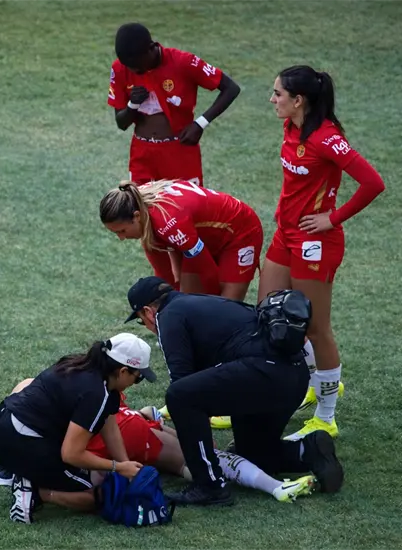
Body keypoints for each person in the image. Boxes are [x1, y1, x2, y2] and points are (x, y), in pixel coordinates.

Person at [124, 276, 344, 505]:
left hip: (263, 374)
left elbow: (182, 384)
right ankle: (308, 450)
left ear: (149, 312)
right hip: (292, 376)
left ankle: (209, 486)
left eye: (142, 321)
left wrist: (195, 442)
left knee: (179, 397)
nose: (148, 327)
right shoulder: (198, 303)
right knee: (254, 454)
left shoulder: (168, 317)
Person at [261, 66, 385, 440]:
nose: (272, 100)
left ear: (298, 100)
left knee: (314, 328)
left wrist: (332, 218)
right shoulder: (291, 127)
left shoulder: (326, 138)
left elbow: (372, 182)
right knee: (268, 314)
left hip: (316, 243)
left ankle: (326, 415)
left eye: (278, 94)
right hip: (286, 234)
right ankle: (303, 388)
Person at [0, 382, 317, 503]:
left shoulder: (50, 388)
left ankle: (274, 484)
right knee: (200, 456)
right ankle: (274, 485)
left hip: (117, 431)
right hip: (123, 432)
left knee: (191, 454)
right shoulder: (100, 393)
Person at [0, 334, 153, 523]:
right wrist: (118, 466)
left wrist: (125, 466)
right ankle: (35, 491)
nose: (135, 383)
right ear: (122, 371)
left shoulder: (80, 364)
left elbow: (110, 428)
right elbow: (71, 454)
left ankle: (14, 469)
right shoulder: (96, 393)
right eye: (138, 378)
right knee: (99, 496)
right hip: (21, 440)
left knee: (88, 471)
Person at [108, 22, 241, 186]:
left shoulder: (183, 62)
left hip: (180, 151)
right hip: (142, 155)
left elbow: (231, 88)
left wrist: (200, 124)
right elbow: (121, 123)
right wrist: (133, 104)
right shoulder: (121, 68)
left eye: (137, 66)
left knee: (187, 208)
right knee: (141, 209)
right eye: (129, 66)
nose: (134, 71)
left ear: (151, 48)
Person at [100, 179, 263, 300]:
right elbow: (164, 277)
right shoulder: (134, 201)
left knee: (226, 309)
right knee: (188, 303)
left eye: (121, 231)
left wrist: (214, 304)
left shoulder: (168, 223)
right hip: (203, 236)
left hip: (239, 234)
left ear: (136, 217)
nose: (121, 238)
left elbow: (207, 271)